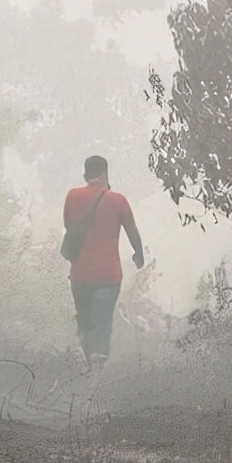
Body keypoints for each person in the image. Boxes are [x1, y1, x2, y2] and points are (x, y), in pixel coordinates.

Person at [63, 155, 143, 369]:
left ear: (85, 174)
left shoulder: (72, 196)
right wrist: (139, 253)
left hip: (80, 276)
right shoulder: (118, 200)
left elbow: (69, 225)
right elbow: (132, 232)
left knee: (85, 321)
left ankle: (88, 364)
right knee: (102, 323)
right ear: (105, 173)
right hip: (108, 276)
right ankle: (98, 369)